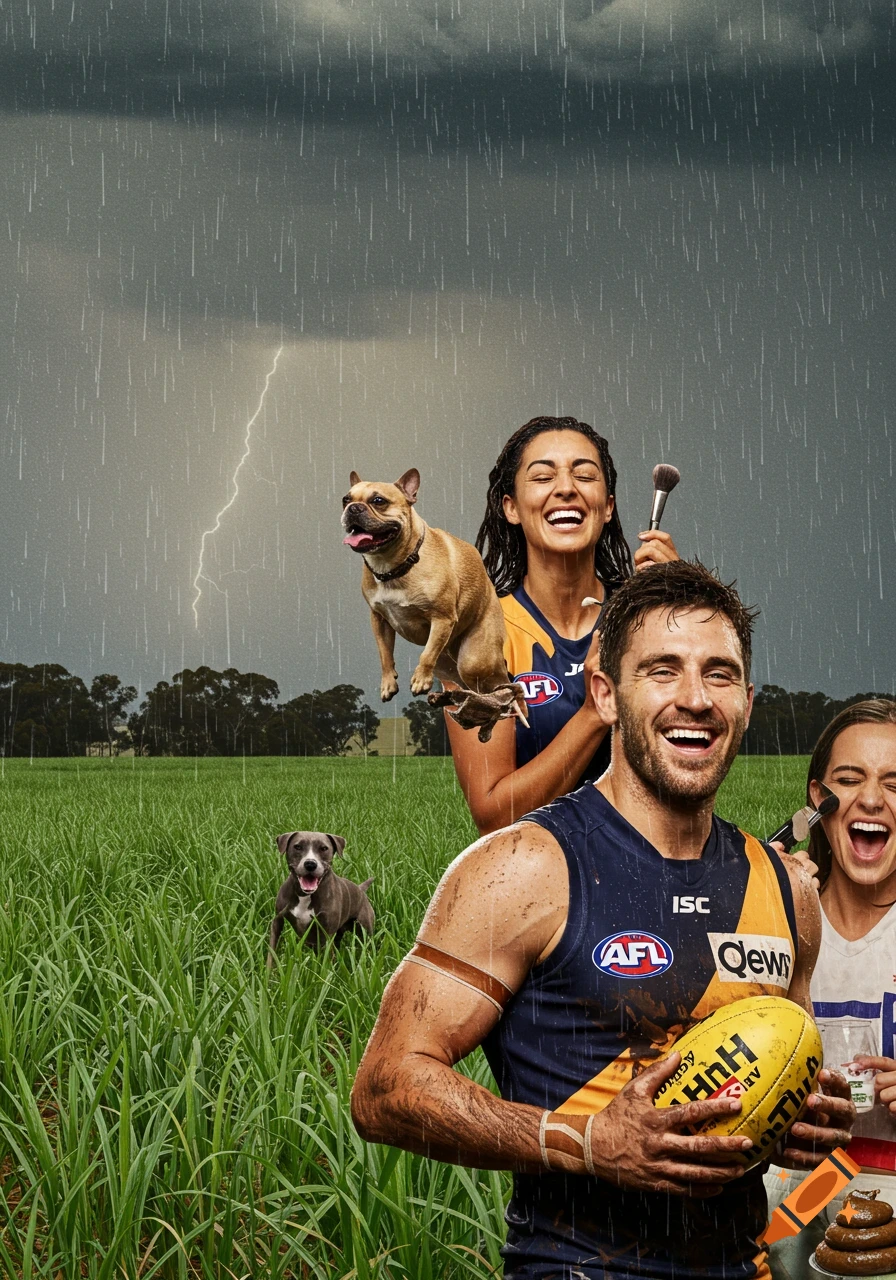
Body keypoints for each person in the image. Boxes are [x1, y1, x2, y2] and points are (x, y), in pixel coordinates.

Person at [352, 561, 854, 1280]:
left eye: (719, 675)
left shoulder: (785, 888)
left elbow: (761, 1084)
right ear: (605, 695)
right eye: (661, 670)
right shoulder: (522, 867)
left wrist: (794, 1117)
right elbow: (385, 1087)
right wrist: (586, 1141)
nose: (695, 699)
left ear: (746, 701)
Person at [447, 416, 679, 835]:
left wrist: (680, 620)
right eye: (542, 476)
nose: (567, 488)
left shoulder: (649, 620)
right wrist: (594, 713)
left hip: (653, 877)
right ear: (511, 507)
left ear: (607, 506)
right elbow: (497, 816)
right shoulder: (474, 635)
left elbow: (693, 767)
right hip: (537, 885)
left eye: (585, 475)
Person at [768, 700, 896, 1211]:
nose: (870, 799)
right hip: (797, 1190)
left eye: (894, 783)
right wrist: (753, 906)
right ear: (817, 802)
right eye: (850, 779)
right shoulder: (774, 922)